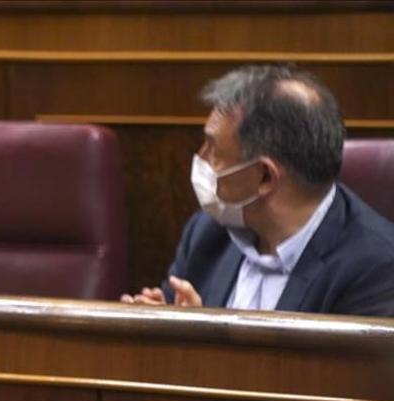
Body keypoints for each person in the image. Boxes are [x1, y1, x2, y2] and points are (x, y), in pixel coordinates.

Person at [121, 64, 394, 316]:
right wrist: (158, 324)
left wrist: (200, 341)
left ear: (264, 177)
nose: (201, 158)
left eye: (213, 149)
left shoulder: (377, 270)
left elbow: (315, 371)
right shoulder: (208, 233)